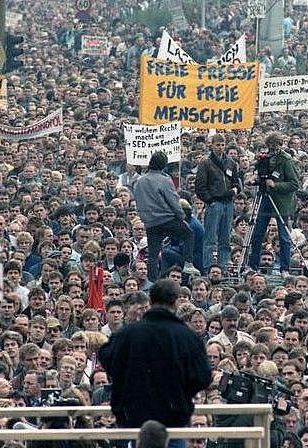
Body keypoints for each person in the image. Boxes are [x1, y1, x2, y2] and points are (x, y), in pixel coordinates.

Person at [99, 279, 211, 435]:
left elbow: (106, 357)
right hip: (174, 416)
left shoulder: (128, 333)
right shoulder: (187, 336)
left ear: (150, 301)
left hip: (134, 416)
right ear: (176, 302)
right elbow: (203, 377)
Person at [133, 151, 199, 280]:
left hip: (151, 222)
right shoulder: (164, 180)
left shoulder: (139, 182)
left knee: (153, 253)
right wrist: (182, 218)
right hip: (167, 219)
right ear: (164, 165)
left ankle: (152, 280)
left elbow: (138, 203)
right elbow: (173, 201)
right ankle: (188, 263)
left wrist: (146, 219)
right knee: (188, 234)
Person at [247, 133, 300, 275]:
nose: (272, 148)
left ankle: (285, 268)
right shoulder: (265, 158)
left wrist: (275, 185)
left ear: (280, 144)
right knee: (258, 233)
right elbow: (262, 175)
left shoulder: (286, 160)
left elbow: (294, 184)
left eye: (275, 145)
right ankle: (253, 265)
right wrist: (254, 180)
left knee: (283, 237)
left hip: (281, 203)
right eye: (270, 146)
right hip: (265, 200)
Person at [195, 134, 241, 271]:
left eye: (222, 145)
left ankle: (223, 267)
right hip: (215, 203)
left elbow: (237, 182)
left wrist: (235, 190)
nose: (220, 147)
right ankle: (208, 267)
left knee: (225, 238)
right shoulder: (205, 163)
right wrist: (210, 201)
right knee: (210, 238)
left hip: (228, 203)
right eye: (218, 145)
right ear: (212, 145)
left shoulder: (231, 163)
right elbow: (200, 186)